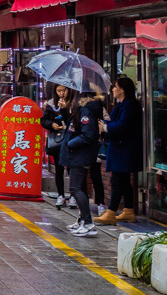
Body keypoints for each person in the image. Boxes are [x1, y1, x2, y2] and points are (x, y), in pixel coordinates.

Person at [94, 76, 143, 225]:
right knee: (124, 181)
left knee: (117, 180)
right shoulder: (122, 104)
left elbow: (123, 126)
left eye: (115, 87)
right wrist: (104, 124)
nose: (113, 90)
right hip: (120, 148)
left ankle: (110, 213)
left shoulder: (130, 105)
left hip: (125, 149)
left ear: (122, 89)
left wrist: (106, 127)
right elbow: (117, 122)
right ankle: (128, 211)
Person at [60, 88, 104, 237]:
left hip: (80, 155)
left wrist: (70, 144)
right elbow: (73, 128)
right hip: (76, 155)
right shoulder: (80, 110)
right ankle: (82, 221)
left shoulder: (86, 111)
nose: (66, 95)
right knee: (80, 189)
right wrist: (65, 110)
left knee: (75, 188)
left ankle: (88, 223)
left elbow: (88, 135)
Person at [41, 84, 74, 208]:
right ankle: (61, 195)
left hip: (71, 139)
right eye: (58, 90)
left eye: (63, 90)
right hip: (58, 140)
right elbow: (43, 120)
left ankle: (73, 196)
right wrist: (52, 125)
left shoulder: (74, 103)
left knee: (71, 169)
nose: (61, 93)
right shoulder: (51, 105)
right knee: (59, 169)